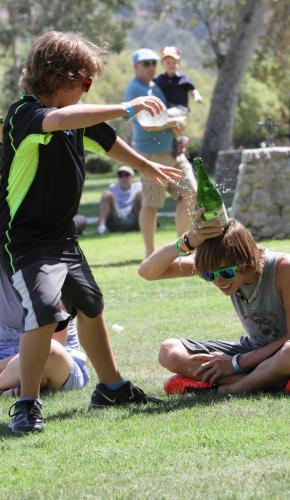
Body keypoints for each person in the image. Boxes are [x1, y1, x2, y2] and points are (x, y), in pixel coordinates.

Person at [0, 31, 181, 434]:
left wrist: (148, 168)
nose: (86, 92)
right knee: (43, 310)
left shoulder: (76, 114)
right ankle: (27, 403)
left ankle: (111, 387)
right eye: (83, 84)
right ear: (58, 77)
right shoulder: (24, 114)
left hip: (63, 237)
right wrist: (125, 106)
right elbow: (60, 120)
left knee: (91, 304)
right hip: (27, 241)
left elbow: (108, 140)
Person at [139, 209, 290, 397]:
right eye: (208, 276)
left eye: (226, 273)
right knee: (169, 351)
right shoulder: (218, 264)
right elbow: (147, 272)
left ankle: (229, 389)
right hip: (255, 352)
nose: (218, 281)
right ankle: (267, 381)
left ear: (244, 259)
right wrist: (188, 240)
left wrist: (236, 363)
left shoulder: (286, 268)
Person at [124, 48, 197, 257]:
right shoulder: (135, 89)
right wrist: (176, 121)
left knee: (190, 192)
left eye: (153, 63)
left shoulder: (155, 86)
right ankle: (150, 252)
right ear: (135, 67)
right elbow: (146, 123)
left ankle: (184, 247)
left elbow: (165, 115)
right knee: (152, 203)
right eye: (145, 64)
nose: (150, 68)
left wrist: (179, 137)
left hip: (174, 152)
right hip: (152, 156)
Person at [0, 267, 89, 396]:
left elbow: (54, 342)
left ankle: (8, 384)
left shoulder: (44, 270)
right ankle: (11, 388)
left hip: (53, 363)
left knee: (49, 351)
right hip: (7, 362)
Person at [154, 46, 203, 155]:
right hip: (167, 108)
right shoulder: (159, 79)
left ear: (178, 64)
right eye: (168, 63)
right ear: (163, 64)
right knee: (169, 125)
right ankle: (179, 141)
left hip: (180, 109)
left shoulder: (183, 78)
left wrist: (197, 96)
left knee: (166, 116)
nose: (171, 65)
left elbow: (192, 89)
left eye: (174, 62)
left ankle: (179, 141)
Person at [97, 165, 142, 235]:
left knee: (141, 195)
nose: (123, 178)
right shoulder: (113, 187)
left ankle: (149, 224)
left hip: (134, 216)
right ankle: (101, 228)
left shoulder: (139, 186)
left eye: (127, 175)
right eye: (120, 175)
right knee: (106, 194)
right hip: (117, 217)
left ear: (132, 177)